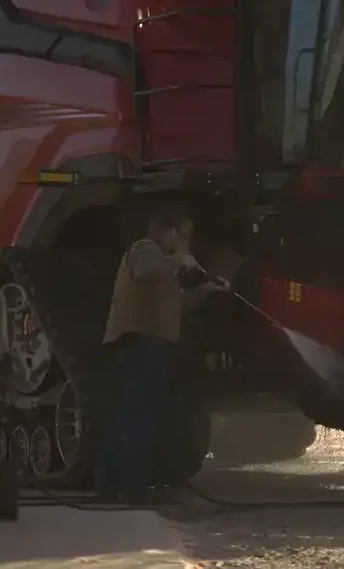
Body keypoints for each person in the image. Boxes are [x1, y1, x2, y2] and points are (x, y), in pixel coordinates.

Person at [95, 206, 227, 502]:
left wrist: (207, 289)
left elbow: (174, 303)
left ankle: (110, 486)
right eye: (185, 236)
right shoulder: (146, 249)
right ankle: (133, 490)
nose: (187, 244)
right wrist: (179, 259)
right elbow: (143, 271)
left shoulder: (162, 263)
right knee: (140, 417)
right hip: (142, 343)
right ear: (171, 232)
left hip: (146, 344)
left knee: (129, 415)